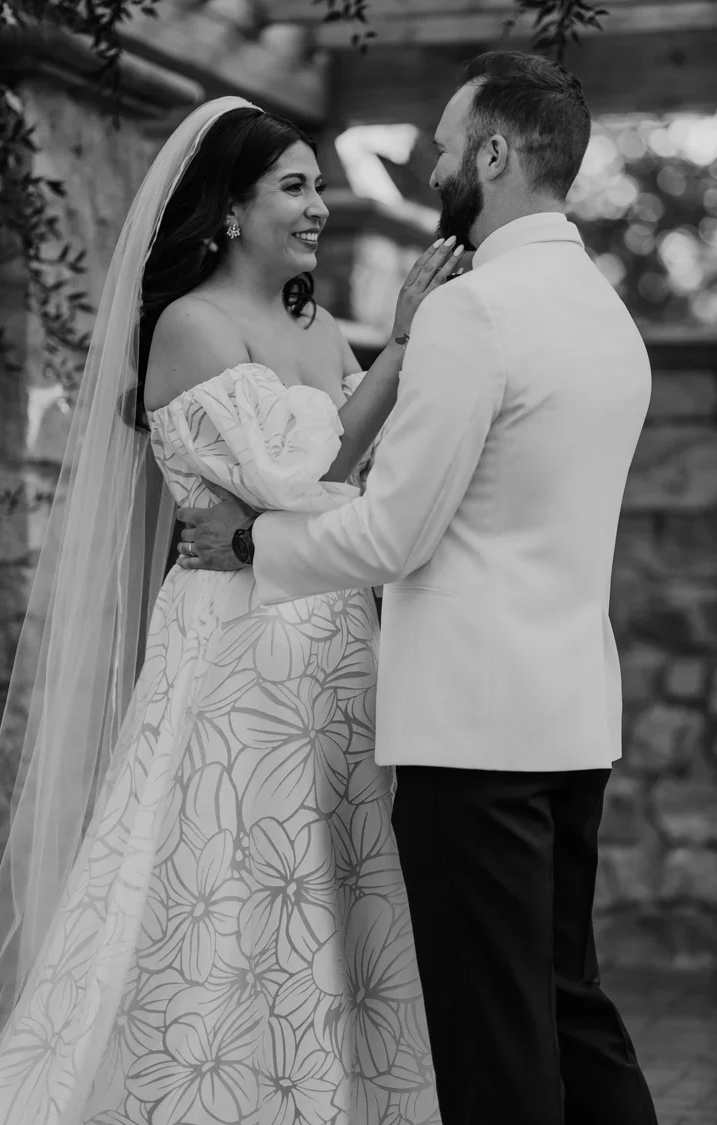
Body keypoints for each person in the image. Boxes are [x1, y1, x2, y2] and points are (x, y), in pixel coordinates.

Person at [177, 53, 660, 1125]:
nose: (435, 161)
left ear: (494, 153)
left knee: (495, 1044)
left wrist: (255, 541)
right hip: (572, 719)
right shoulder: (607, 316)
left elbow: (395, 529)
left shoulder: (476, 312)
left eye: (445, 145)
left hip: (468, 737)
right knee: (566, 1003)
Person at [0, 96, 463, 1124]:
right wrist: (404, 347)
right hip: (235, 645)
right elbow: (308, 474)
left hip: (331, 643)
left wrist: (397, 367)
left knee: (329, 879)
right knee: (232, 870)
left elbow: (359, 474)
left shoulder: (316, 325)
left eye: (318, 185)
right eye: (294, 185)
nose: (319, 206)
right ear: (230, 211)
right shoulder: (189, 327)